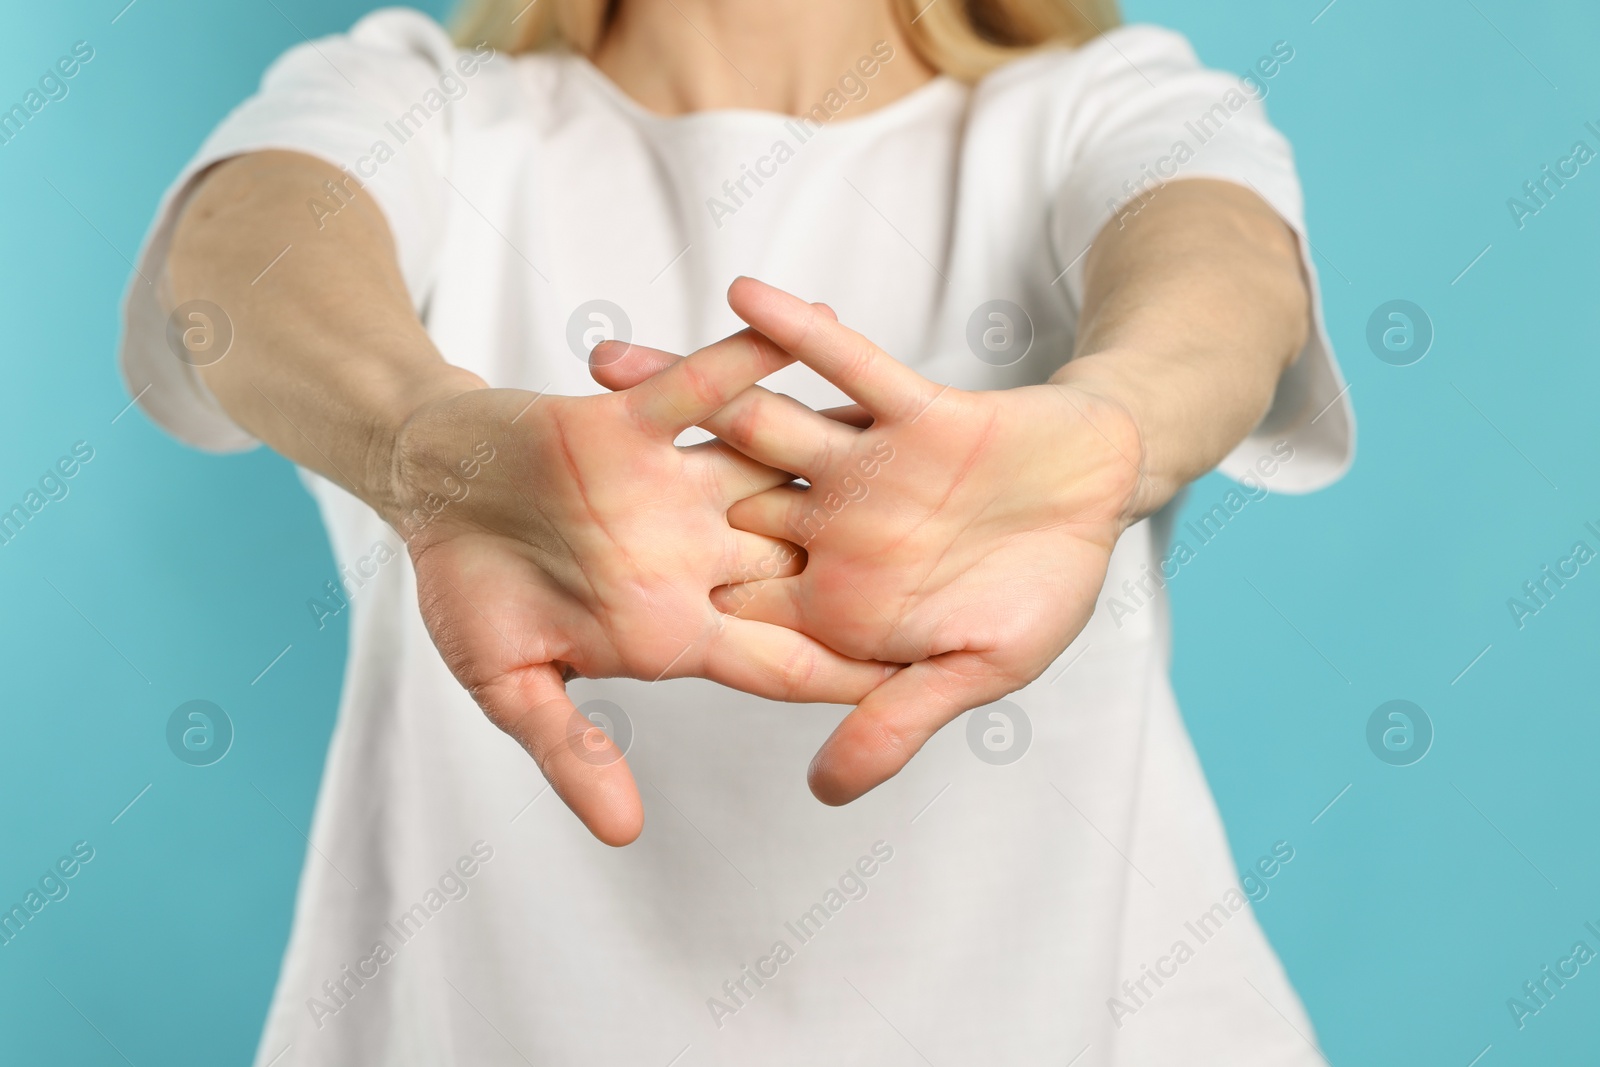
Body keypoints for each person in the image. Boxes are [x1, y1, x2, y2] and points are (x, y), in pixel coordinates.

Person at [119, 0, 1353, 1062]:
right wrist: (430, 444)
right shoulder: (417, 101)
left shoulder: (1100, 103)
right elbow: (249, 241)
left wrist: (1108, 425)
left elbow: (1225, 269)